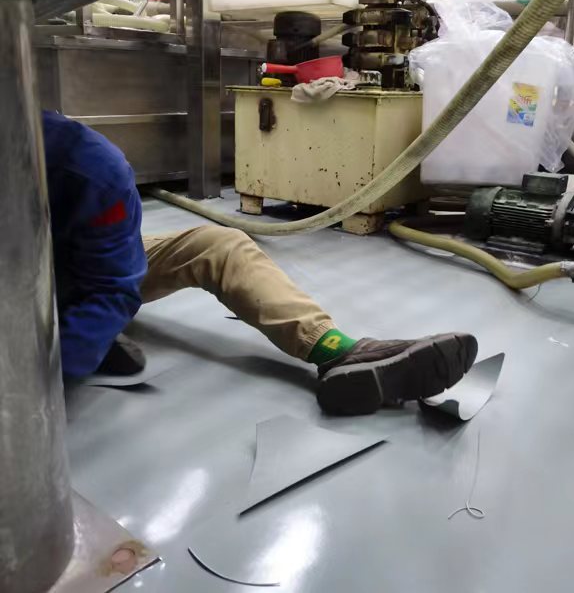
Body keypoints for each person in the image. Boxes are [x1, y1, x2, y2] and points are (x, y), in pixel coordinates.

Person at [43, 110, 477, 415]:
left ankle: (339, 352)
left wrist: (69, 353)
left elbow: (112, 285)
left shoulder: (89, 168)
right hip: (24, 281)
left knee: (218, 244)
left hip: (63, 261)